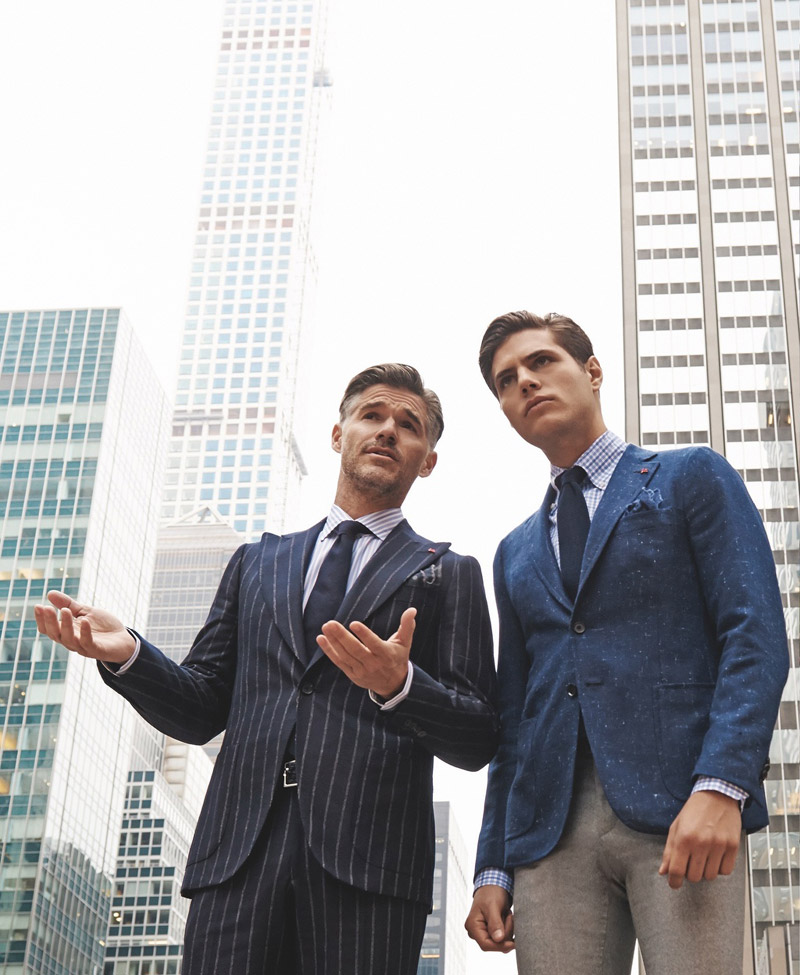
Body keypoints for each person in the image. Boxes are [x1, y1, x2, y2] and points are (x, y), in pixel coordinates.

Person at [35, 362, 498, 975]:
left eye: (408, 425)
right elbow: (202, 709)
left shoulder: (449, 573)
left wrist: (401, 685)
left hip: (369, 871)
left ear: (427, 460)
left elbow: (477, 737)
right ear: (339, 435)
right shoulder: (257, 562)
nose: (387, 430)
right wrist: (130, 655)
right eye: (372, 415)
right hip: (237, 861)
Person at [464, 312, 788, 975]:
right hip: (549, 835)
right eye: (506, 379)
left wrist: (721, 784)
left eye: (542, 361)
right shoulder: (515, 551)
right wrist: (492, 865)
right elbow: (514, 720)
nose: (525, 381)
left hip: (682, 806)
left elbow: (754, 635)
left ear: (591, 370)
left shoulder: (691, 477)